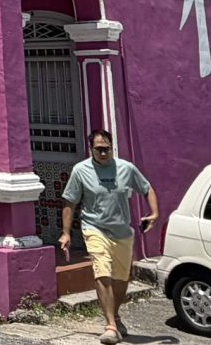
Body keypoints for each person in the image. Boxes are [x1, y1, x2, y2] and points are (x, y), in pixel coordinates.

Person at [60, 129, 159, 345]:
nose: (103, 153)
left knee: (121, 279)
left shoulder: (126, 168)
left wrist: (154, 213)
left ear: (112, 147)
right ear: (91, 149)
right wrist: (66, 233)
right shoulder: (81, 170)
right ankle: (110, 326)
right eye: (99, 149)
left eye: (107, 149)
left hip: (122, 232)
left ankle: (115, 315)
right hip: (94, 228)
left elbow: (147, 188)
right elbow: (70, 202)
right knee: (102, 273)